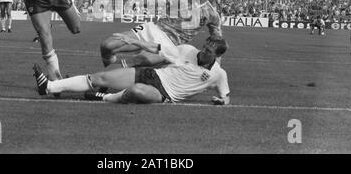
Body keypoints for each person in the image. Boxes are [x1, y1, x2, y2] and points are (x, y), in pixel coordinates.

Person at [33, 34, 230, 105]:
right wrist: (134, 41)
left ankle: (107, 97)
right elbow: (157, 48)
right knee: (99, 78)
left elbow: (226, 96)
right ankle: (50, 87)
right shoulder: (187, 50)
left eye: (209, 51)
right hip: (151, 75)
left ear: (217, 55)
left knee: (136, 91)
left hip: (163, 94)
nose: (204, 51)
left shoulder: (218, 75)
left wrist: (223, 100)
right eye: (205, 46)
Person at [100, 0, 223, 68]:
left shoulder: (211, 14)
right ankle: (111, 68)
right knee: (107, 45)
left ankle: (102, 82)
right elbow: (155, 0)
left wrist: (216, 67)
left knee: (143, 58)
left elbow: (217, 40)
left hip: (170, 45)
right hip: (153, 29)